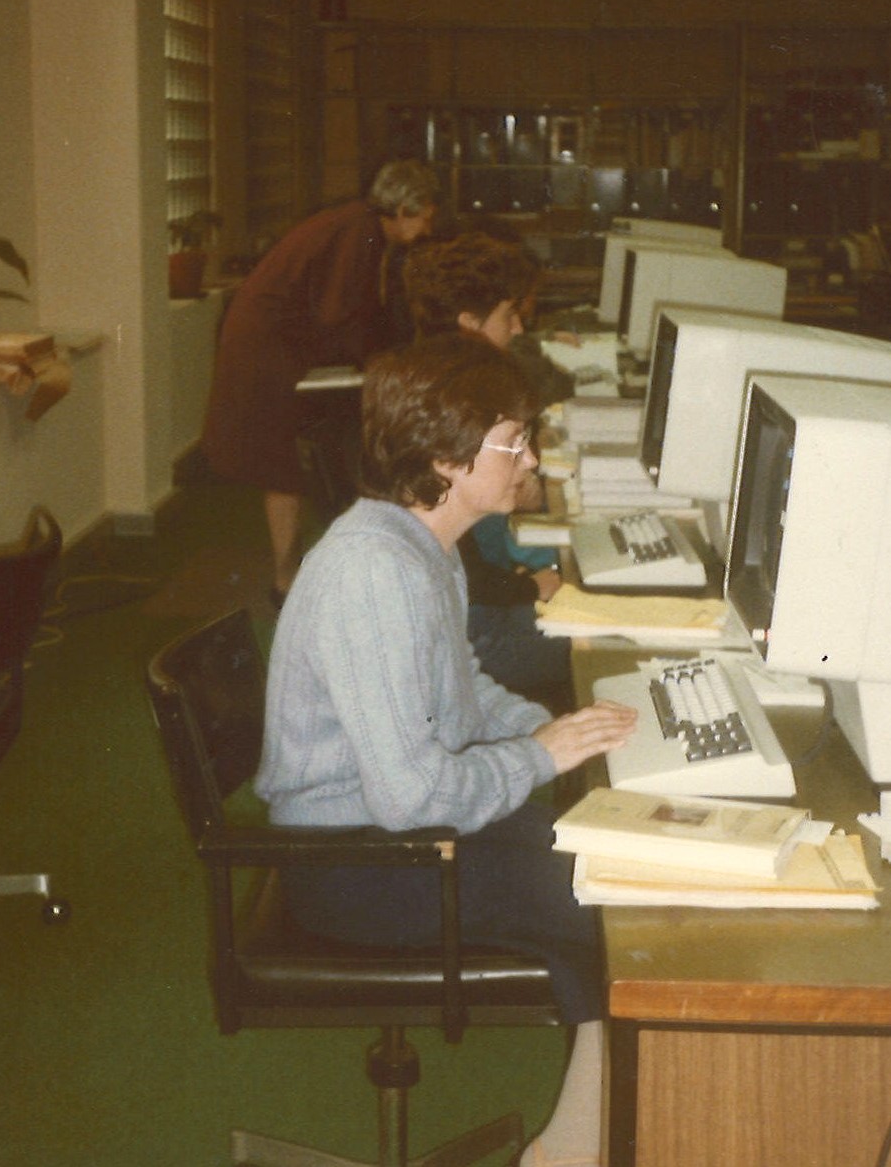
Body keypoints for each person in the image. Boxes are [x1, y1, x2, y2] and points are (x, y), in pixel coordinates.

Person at [257, 332, 637, 1167]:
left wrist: (566, 733)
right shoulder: (374, 572)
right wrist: (539, 753)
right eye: (514, 440)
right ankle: (576, 1146)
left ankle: (577, 1136)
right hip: (352, 863)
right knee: (604, 907)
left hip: (384, 837)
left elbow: (459, 688)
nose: (530, 458)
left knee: (599, 868)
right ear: (444, 454)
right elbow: (408, 796)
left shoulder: (421, 543)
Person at [199, 160, 438, 603]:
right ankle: (286, 582)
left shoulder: (358, 225)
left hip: (279, 344)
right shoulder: (360, 233)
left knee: (290, 465)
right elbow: (340, 314)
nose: (426, 229)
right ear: (404, 208)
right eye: (425, 216)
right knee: (284, 465)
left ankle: (293, 577)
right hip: (267, 349)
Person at [401, 231, 574, 711]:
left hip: (473, 611)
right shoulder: (455, 410)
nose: (518, 329)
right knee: (607, 640)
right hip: (475, 634)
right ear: (469, 323)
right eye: (507, 316)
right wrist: (527, 586)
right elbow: (455, 566)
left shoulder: (431, 382)